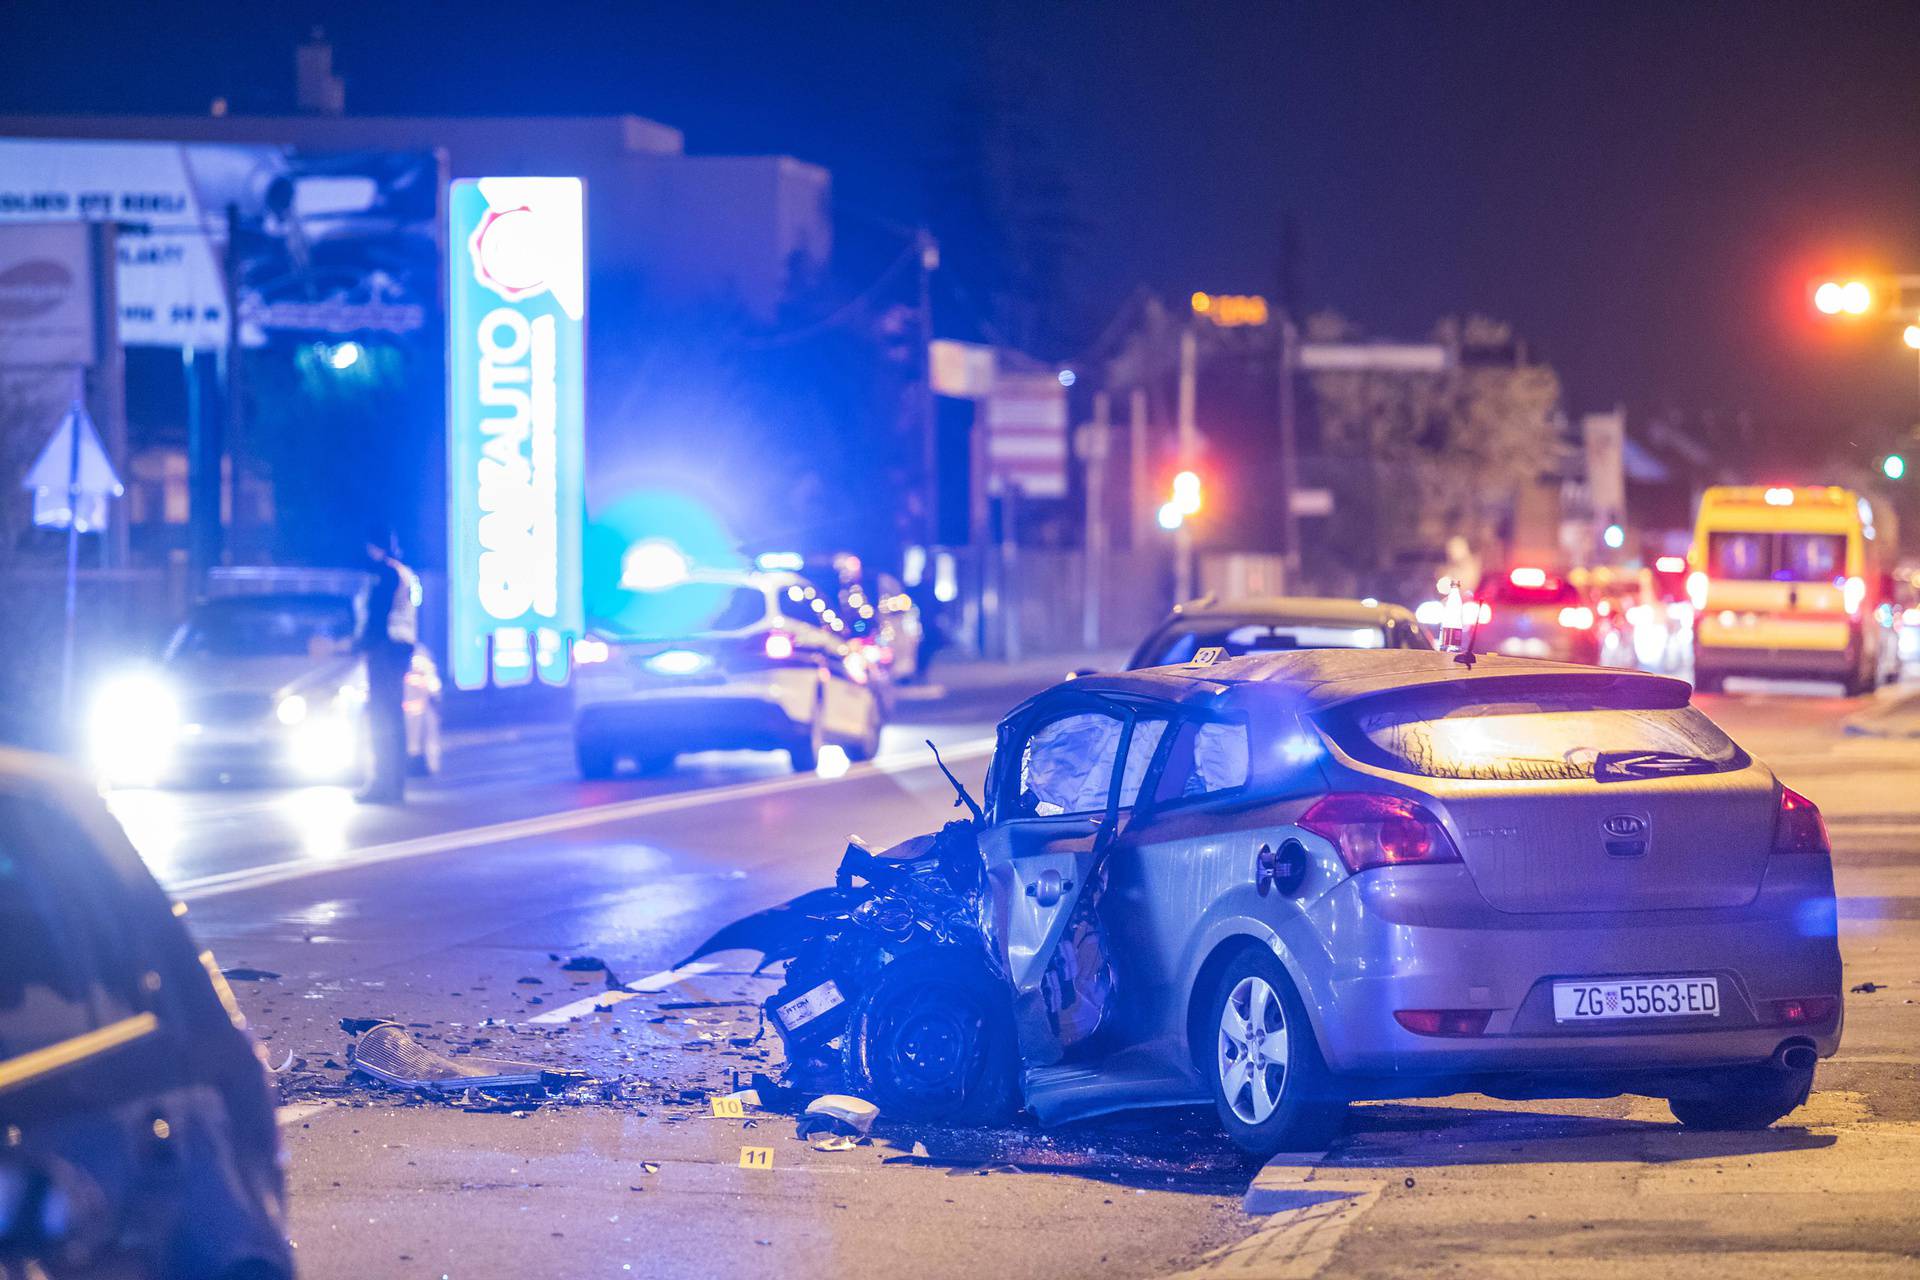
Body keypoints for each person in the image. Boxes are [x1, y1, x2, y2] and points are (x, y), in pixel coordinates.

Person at [355, 527, 420, 804]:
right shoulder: (404, 572)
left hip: (386, 649)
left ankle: (384, 783)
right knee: (393, 716)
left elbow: (377, 615)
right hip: (401, 647)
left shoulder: (384, 573)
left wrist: (361, 645)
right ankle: (394, 784)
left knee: (382, 717)